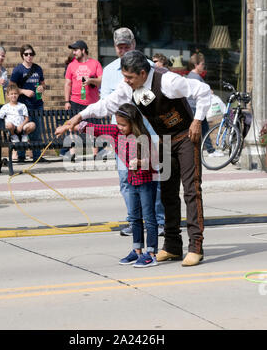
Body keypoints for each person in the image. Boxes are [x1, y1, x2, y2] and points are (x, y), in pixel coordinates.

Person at [55, 50, 211, 267]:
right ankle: (173, 246)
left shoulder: (167, 80)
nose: (126, 81)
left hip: (186, 136)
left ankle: (196, 246)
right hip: (164, 140)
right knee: (167, 194)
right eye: (124, 77)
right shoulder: (128, 87)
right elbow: (107, 104)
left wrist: (197, 120)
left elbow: (203, 91)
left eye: (129, 77)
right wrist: (79, 116)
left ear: (143, 73)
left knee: (192, 190)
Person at [75, 103, 159, 267]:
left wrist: (142, 162)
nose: (119, 127)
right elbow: (97, 129)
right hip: (132, 180)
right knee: (134, 218)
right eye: (118, 123)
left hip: (146, 181)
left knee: (149, 218)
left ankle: (151, 254)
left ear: (133, 123)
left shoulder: (144, 137)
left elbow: (155, 161)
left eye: (123, 125)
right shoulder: (115, 132)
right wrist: (78, 124)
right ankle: (137, 251)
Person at [101, 27, 165, 237]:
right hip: (123, 138)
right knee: (126, 180)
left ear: (134, 44)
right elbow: (106, 105)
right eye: (120, 46)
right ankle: (134, 220)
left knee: (153, 180)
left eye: (127, 45)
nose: (123, 49)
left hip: (148, 133)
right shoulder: (110, 71)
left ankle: (158, 221)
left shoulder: (149, 68)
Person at [64, 40, 103, 161]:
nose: (74, 52)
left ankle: (96, 154)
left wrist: (91, 81)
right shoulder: (71, 65)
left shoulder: (95, 64)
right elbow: (67, 84)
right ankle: (72, 153)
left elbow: (101, 80)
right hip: (76, 101)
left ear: (83, 50)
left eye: (76, 50)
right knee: (72, 126)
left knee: (93, 129)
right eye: (73, 50)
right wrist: (67, 101)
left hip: (92, 102)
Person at [10, 44, 47, 163]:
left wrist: (42, 87)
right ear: (22, 56)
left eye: (31, 54)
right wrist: (23, 91)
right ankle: (21, 156)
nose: (29, 56)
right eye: (26, 54)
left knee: (37, 131)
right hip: (23, 105)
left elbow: (43, 83)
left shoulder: (37, 68)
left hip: (37, 104)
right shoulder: (18, 70)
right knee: (23, 130)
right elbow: (11, 87)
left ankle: (37, 156)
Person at [187, 53, 222, 157]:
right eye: (202, 64)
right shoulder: (195, 77)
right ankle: (209, 150)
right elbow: (197, 92)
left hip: (194, 107)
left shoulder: (191, 76)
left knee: (204, 129)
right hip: (195, 107)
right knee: (200, 130)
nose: (203, 66)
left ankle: (210, 150)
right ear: (196, 65)